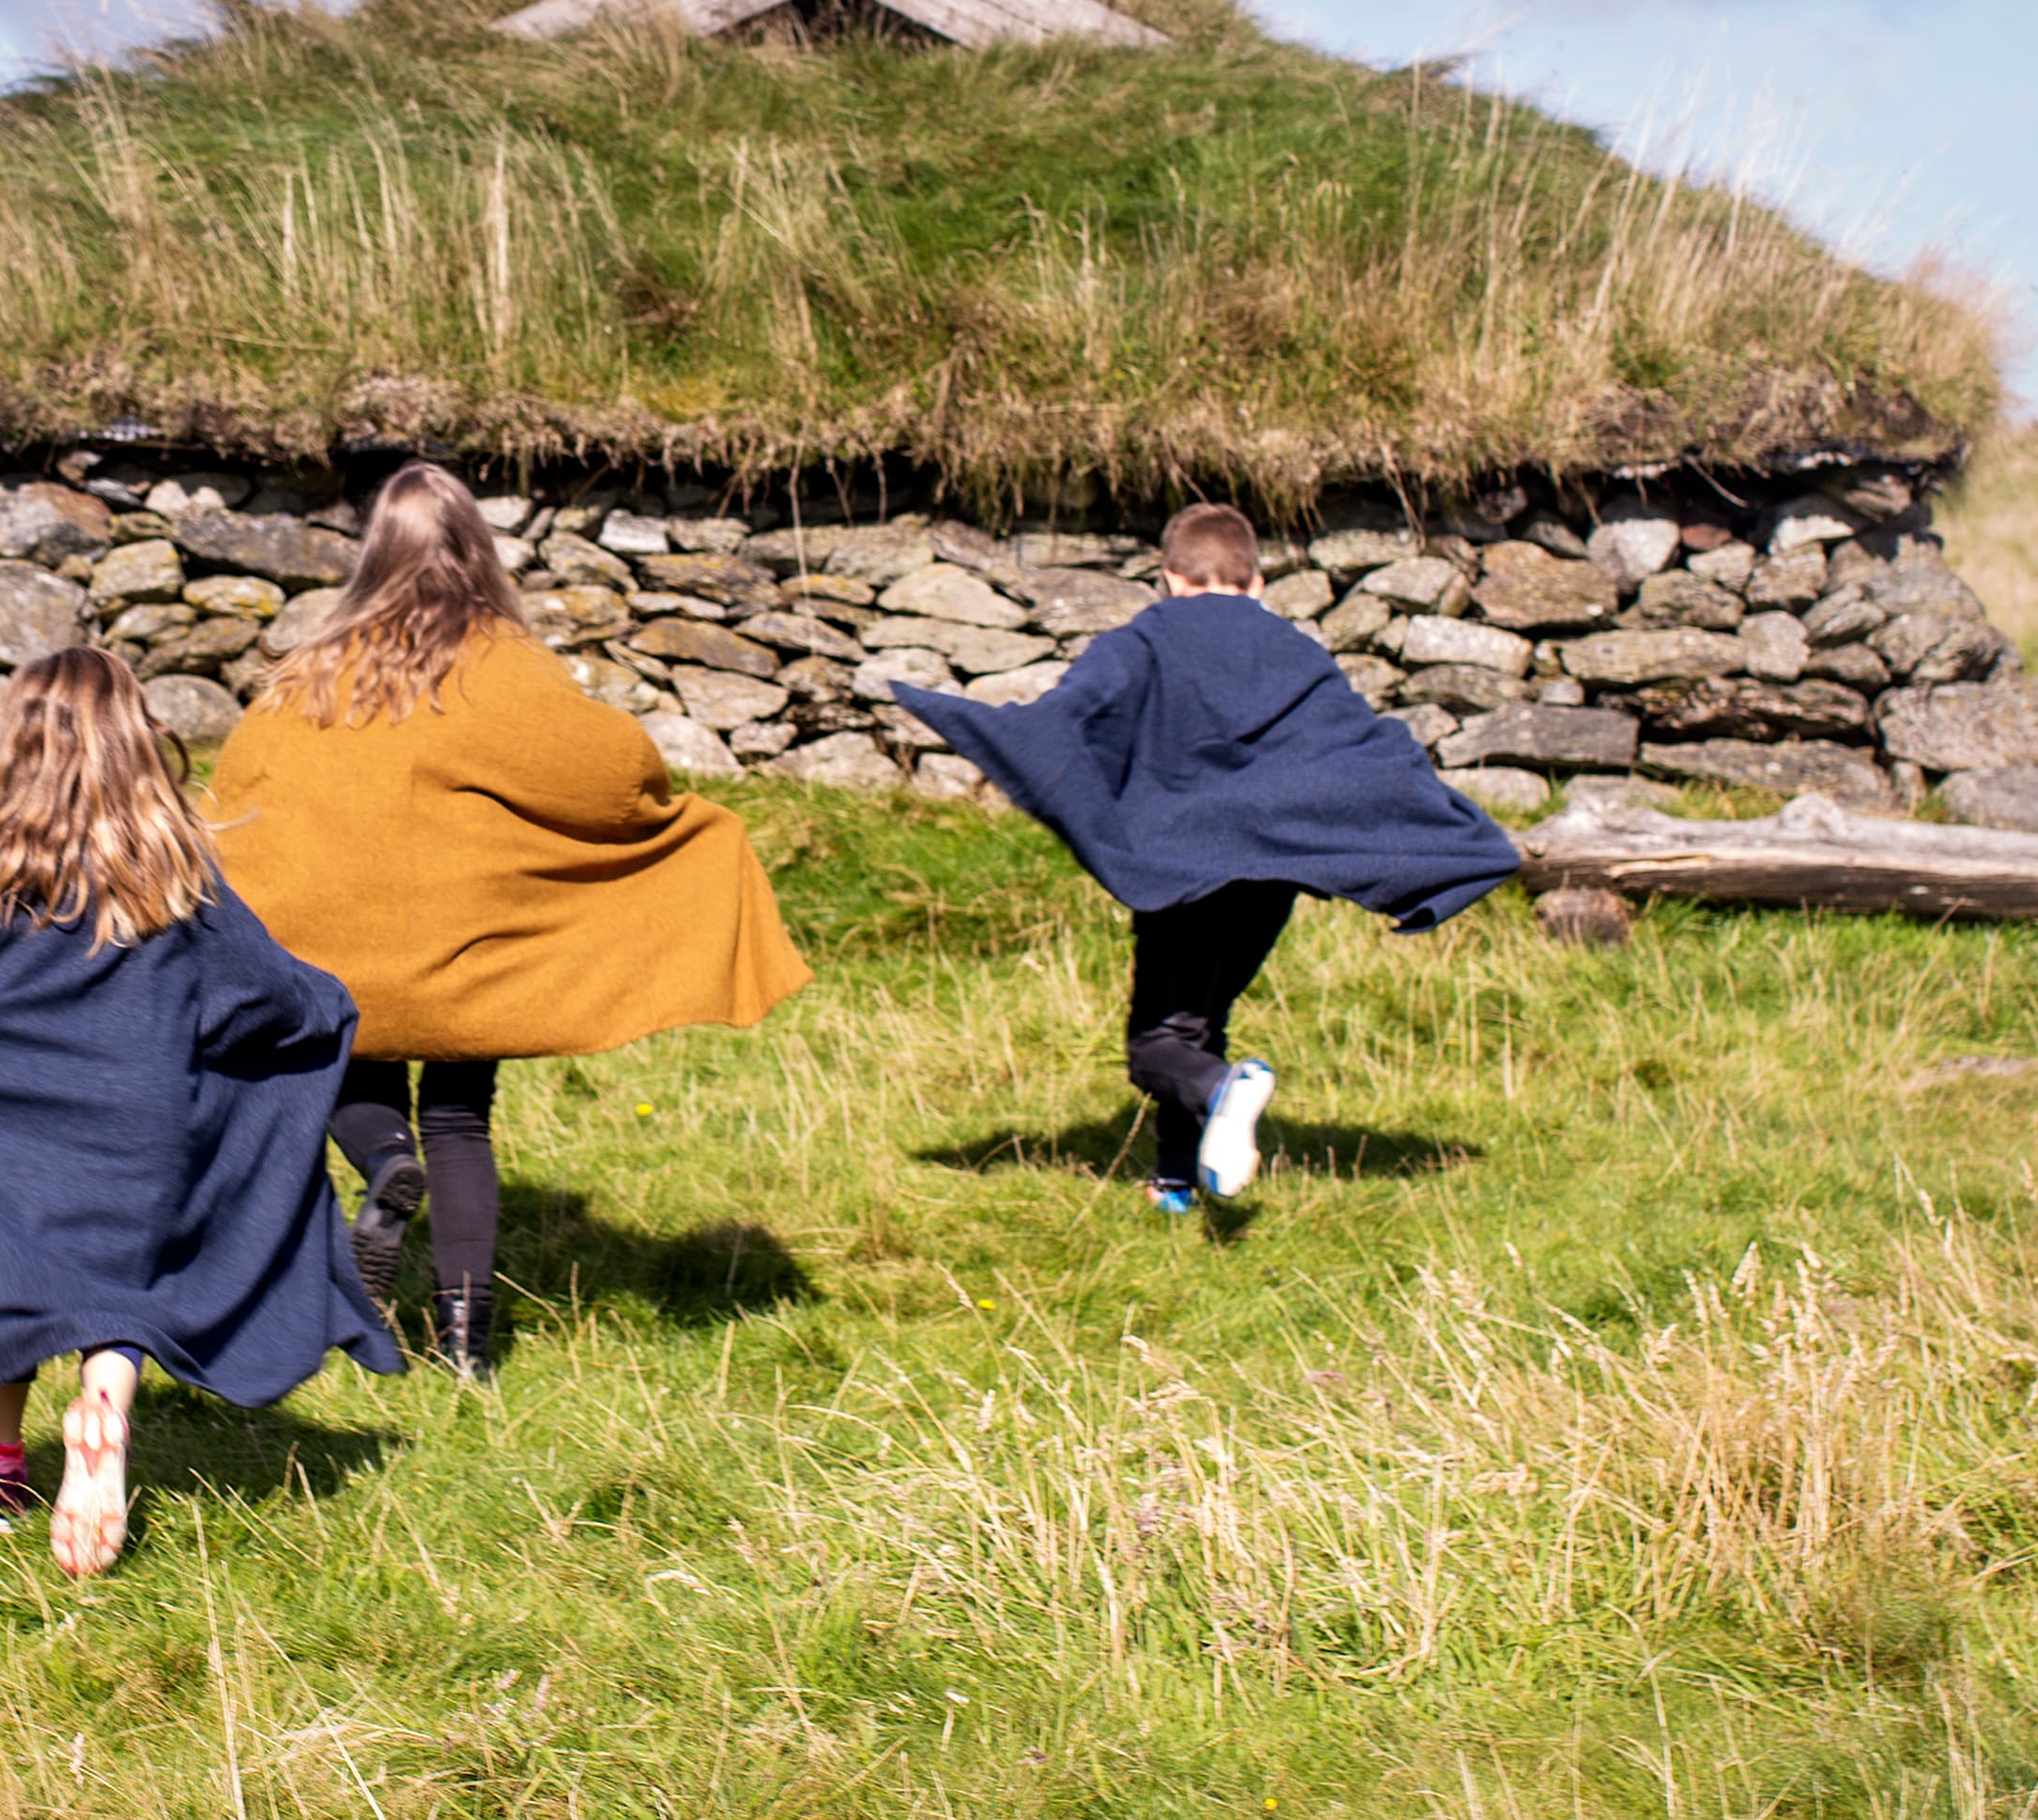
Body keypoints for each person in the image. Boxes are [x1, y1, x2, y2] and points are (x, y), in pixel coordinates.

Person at [0, 646, 397, 1572]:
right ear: (136, 746)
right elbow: (271, 993)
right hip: (144, 1134)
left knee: (3, 1265)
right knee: (124, 1285)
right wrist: (322, 1008)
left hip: (20, 1134)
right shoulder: (179, 884)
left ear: (14, 755)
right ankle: (106, 1398)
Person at [207, 464, 811, 1374]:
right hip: (469, 948)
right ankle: (465, 1344)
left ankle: (382, 1162)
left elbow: (236, 796)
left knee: (341, 1065)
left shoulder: (306, 671)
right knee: (462, 1116)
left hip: (335, 948)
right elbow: (616, 774)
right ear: (475, 548)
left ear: (375, 552)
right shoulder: (504, 663)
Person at [869, 501, 1519, 1212]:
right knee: (1198, 1019)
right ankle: (1176, 1180)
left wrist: (971, 722)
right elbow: (1357, 747)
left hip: (1184, 868)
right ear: (1258, 581)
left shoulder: (1142, 639)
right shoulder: (1296, 649)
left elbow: (1066, 724)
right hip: (1273, 870)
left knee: (1156, 1046)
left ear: (1169, 576)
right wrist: (1448, 841)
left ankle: (1221, 1090)